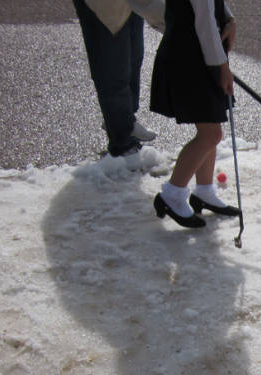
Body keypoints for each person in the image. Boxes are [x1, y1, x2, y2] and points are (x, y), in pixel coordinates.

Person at [149, 0, 241, 228]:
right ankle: (172, 194)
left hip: (201, 53)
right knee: (210, 135)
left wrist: (229, 19)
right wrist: (221, 66)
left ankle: (204, 192)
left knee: (211, 124)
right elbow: (204, 22)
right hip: (191, 57)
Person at [73, 0, 163, 157]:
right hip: (103, 7)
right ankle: (122, 144)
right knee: (113, 72)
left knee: (134, 58)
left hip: (129, 6)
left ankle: (125, 119)